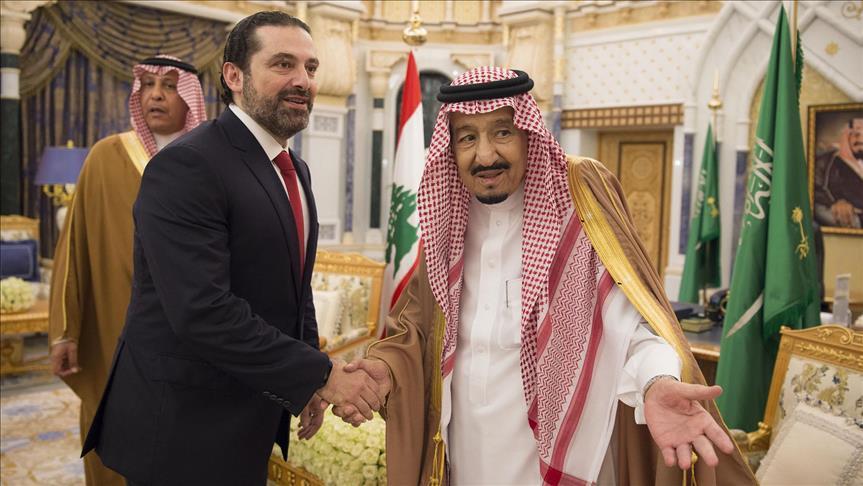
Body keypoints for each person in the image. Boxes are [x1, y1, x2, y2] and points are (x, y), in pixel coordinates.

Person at [334, 67, 755, 485]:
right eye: (467, 138)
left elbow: (633, 326)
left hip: (556, 462)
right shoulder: (448, 224)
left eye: (502, 132)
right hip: (465, 460)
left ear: (528, 134)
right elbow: (416, 331)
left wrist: (657, 381)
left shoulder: (577, 206)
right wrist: (385, 370)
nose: (485, 155)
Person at [80, 12, 383, 485]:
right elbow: (202, 310)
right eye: (283, 64)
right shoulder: (188, 165)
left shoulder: (292, 168)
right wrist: (321, 374)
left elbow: (292, 288)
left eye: (310, 67)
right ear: (234, 76)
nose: (302, 80)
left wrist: (305, 383)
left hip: (248, 413)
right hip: (183, 429)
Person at [48, 54, 207, 486]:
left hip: (193, 331)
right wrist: (65, 330)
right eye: (148, 85)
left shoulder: (208, 162)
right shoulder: (106, 157)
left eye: (169, 85)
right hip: (113, 325)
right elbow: (74, 247)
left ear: (191, 97)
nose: (156, 95)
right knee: (115, 432)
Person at [814, 117, 863, 229]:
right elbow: (818, 190)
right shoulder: (832, 163)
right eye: (855, 134)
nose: (859, 138)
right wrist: (835, 203)